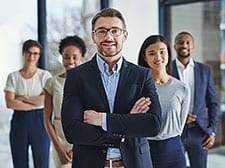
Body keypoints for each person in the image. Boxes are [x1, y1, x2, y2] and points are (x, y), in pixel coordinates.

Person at [61, 8, 162, 168]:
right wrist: (126, 126)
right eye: (102, 31)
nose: (108, 37)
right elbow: (72, 131)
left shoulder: (142, 75)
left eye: (115, 31)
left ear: (125, 35)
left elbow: (153, 124)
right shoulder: (76, 77)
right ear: (93, 36)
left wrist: (102, 120)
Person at [137, 35, 190, 168]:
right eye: (152, 53)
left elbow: (180, 126)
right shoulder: (138, 88)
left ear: (168, 53)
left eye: (162, 51)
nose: (158, 57)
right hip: (145, 150)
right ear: (145, 57)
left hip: (174, 151)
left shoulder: (182, 88)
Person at [172, 31, 219, 168]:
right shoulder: (167, 69)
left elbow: (213, 102)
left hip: (199, 132)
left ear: (193, 46)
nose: (184, 45)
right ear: (175, 46)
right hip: (175, 132)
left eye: (188, 42)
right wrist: (180, 116)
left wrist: (212, 130)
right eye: (180, 42)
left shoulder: (204, 70)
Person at [4, 39, 52, 168]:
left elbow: (45, 101)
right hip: (19, 123)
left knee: (42, 163)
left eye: (35, 54)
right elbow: (10, 103)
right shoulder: (13, 77)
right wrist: (34, 100)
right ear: (23, 53)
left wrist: (21, 98)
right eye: (29, 53)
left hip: (40, 123)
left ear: (39, 56)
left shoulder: (44, 76)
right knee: (19, 163)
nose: (32, 57)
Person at [43, 35, 86, 168]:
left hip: (83, 139)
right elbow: (47, 119)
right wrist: (59, 149)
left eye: (75, 57)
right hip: (60, 139)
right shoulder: (52, 82)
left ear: (82, 58)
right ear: (61, 57)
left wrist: (79, 146)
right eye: (66, 57)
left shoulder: (88, 83)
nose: (70, 61)